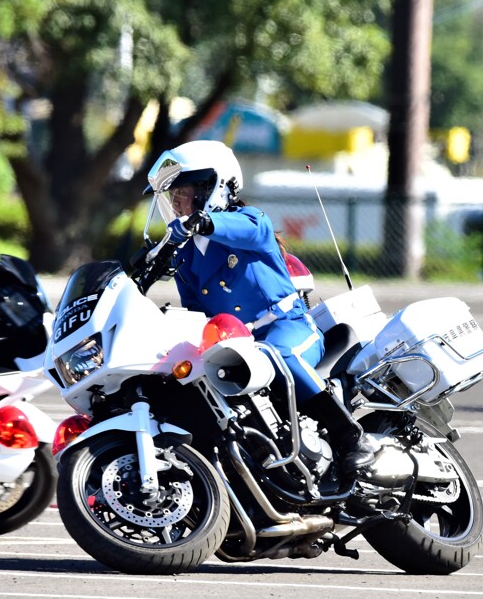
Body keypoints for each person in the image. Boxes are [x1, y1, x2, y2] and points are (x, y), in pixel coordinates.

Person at [147, 139, 375, 478]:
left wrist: (205, 223)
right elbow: (196, 311)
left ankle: (350, 437)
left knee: (280, 356)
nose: (178, 202)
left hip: (286, 326)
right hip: (234, 343)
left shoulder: (248, 221)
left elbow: (251, 230)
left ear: (214, 186)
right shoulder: (188, 255)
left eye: (185, 191)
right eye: (173, 195)